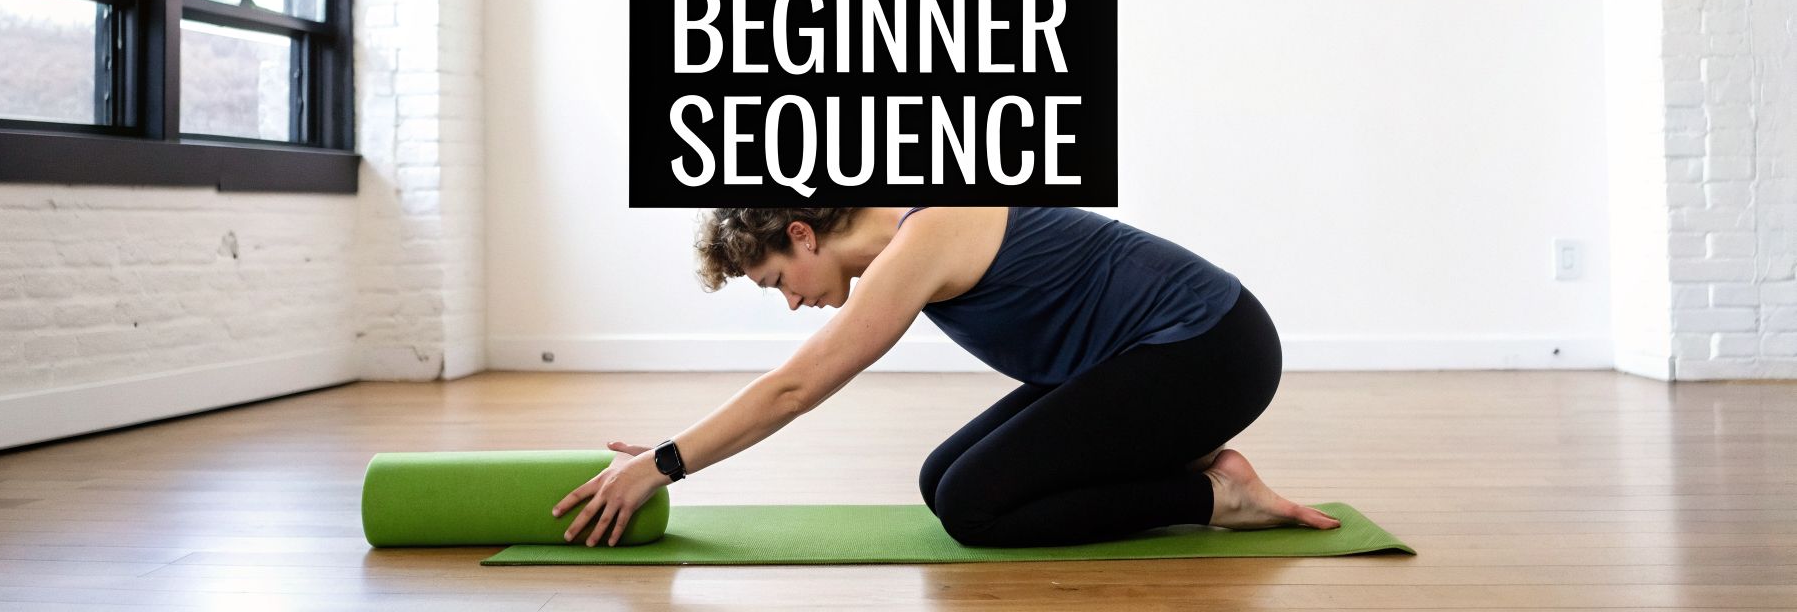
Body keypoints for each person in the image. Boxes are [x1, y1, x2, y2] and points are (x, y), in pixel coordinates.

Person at [553, 206, 1342, 548]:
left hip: (1210, 349)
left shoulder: (918, 241)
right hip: (1147, 357)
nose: (793, 302)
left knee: (974, 506)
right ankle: (1186, 461)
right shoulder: (907, 234)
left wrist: (661, 465)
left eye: (779, 281)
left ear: (802, 233)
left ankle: (1214, 495)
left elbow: (795, 388)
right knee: (942, 481)